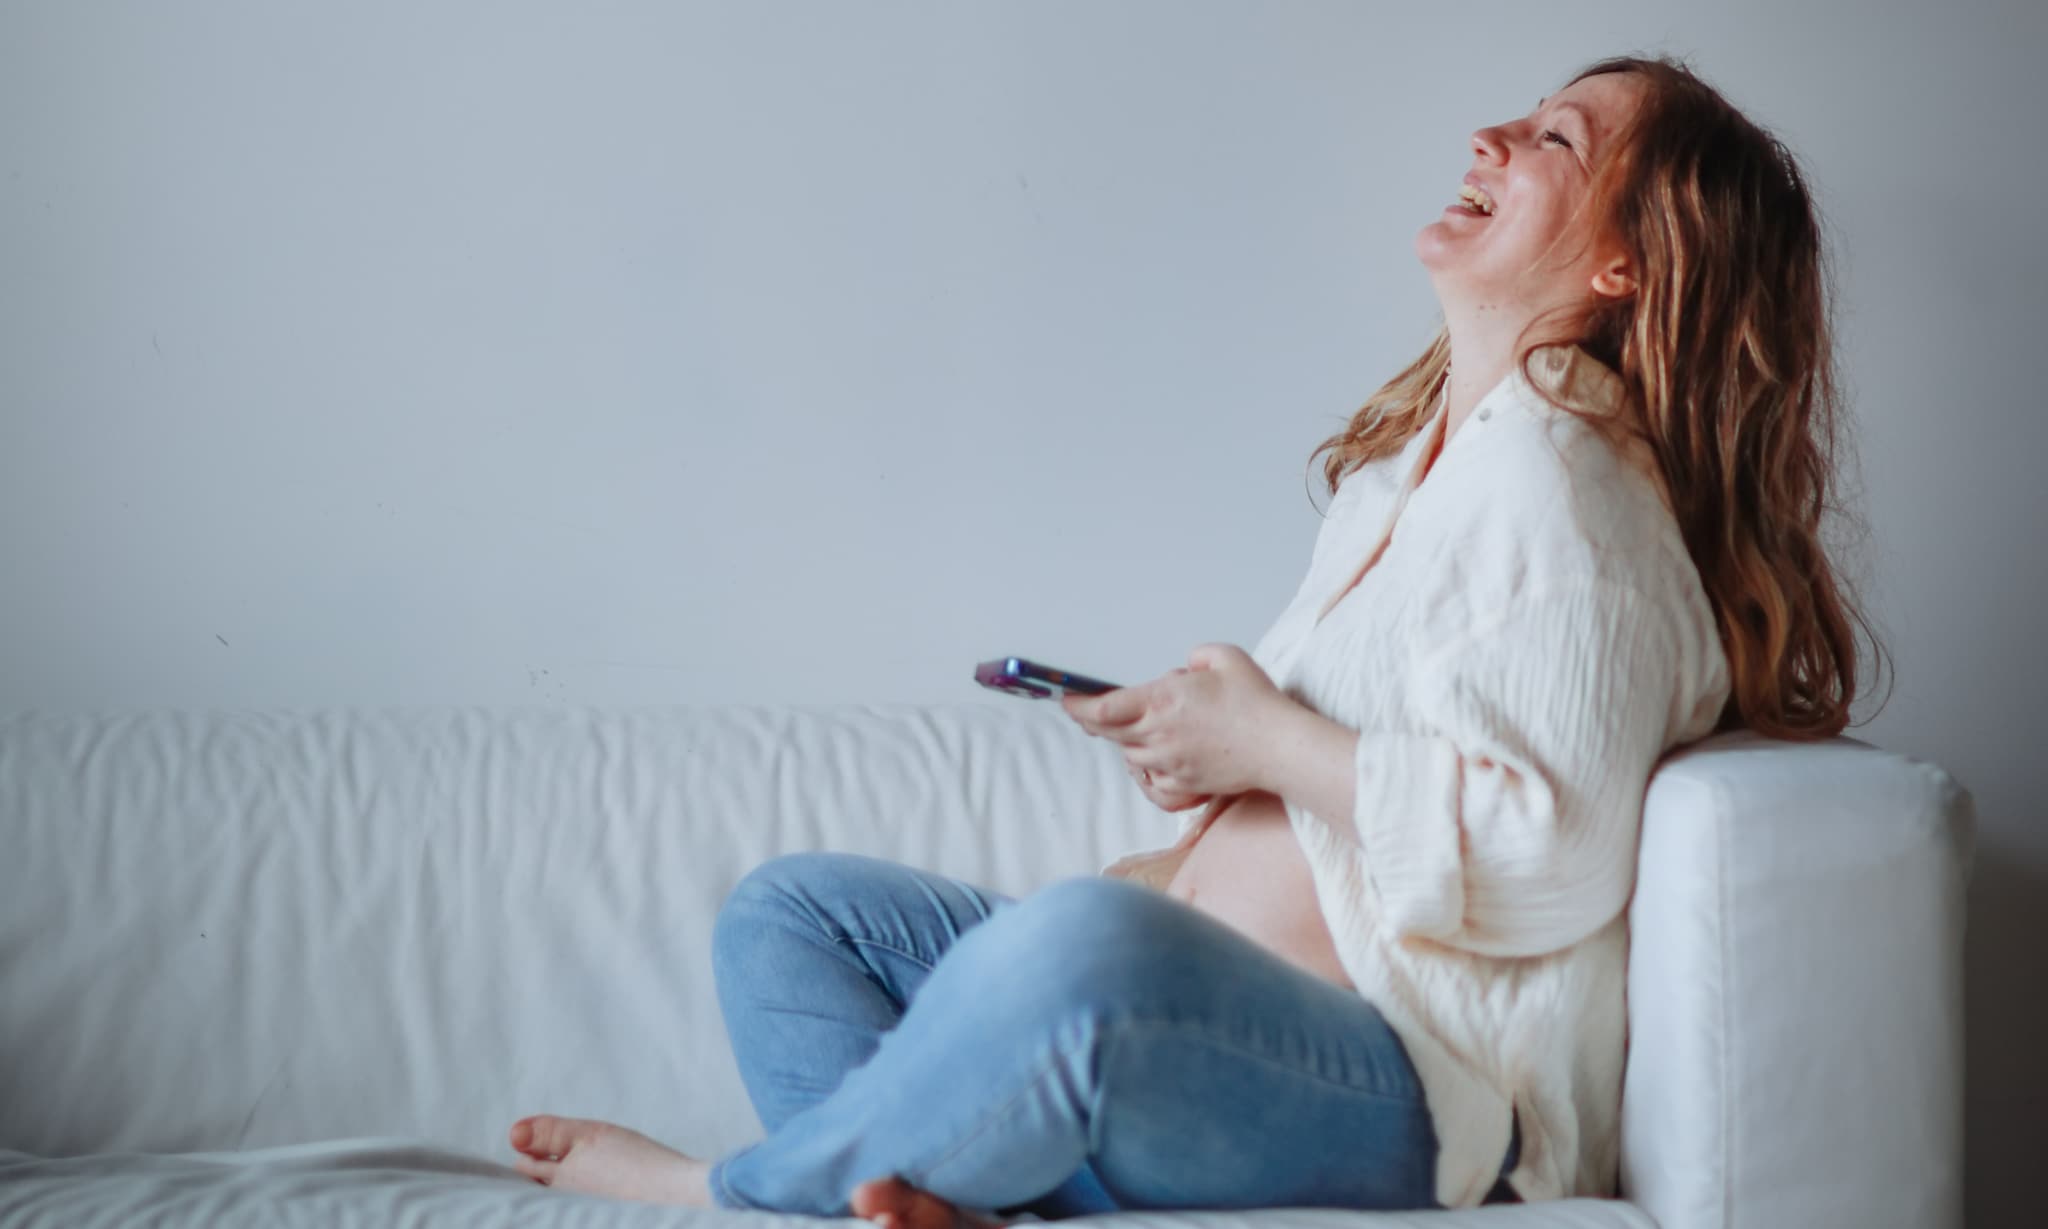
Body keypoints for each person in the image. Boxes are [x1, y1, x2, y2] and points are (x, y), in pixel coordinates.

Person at [504, 52, 1883, 1225]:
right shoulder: (1400, 488)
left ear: (1622, 261)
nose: (1492, 136)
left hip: (1413, 1094)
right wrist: (1202, 784)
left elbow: (1553, 846)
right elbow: (1340, 801)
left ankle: (725, 1192)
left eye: (1553, 141)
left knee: (1078, 951)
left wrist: (1267, 738)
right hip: (1201, 1028)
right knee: (796, 914)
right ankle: (946, 1191)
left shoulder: (1571, 486)